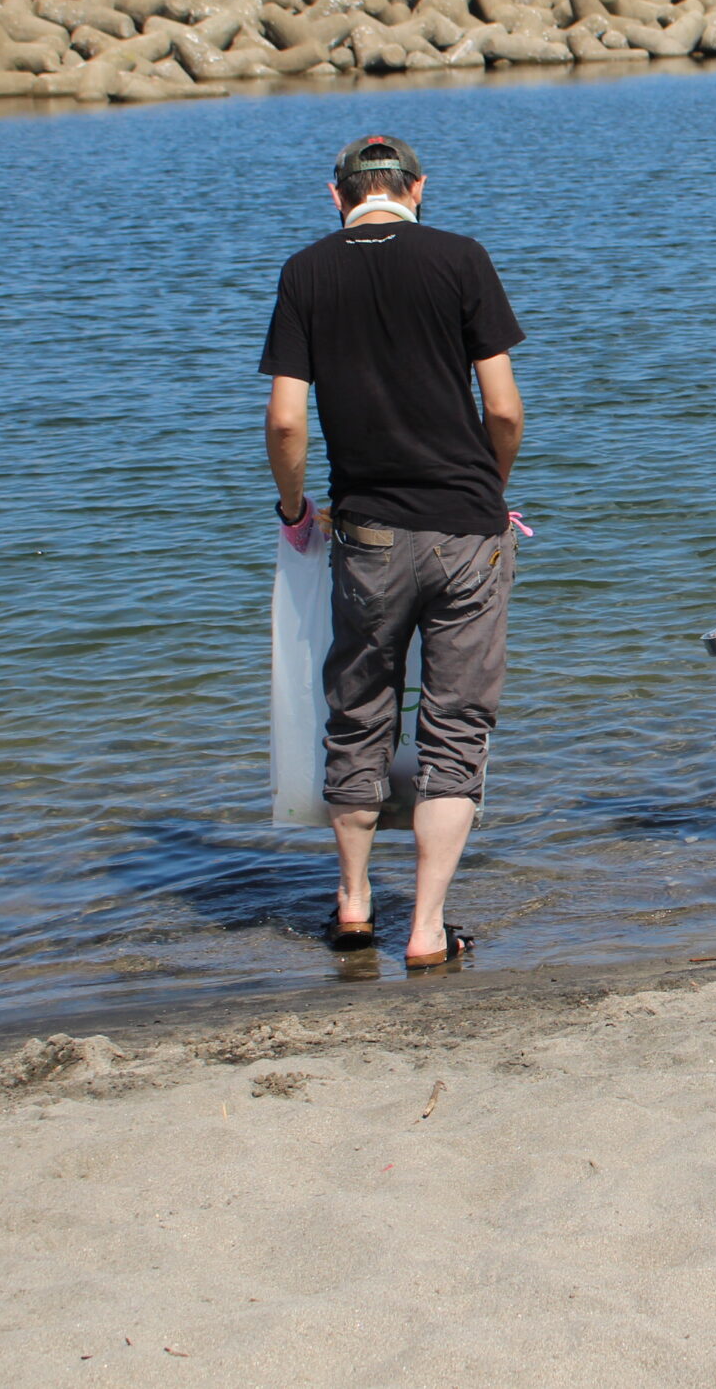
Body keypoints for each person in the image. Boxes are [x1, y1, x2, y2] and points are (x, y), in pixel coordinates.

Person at [261, 134, 525, 968]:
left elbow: (284, 421)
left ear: (335, 197)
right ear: (419, 188)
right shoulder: (461, 258)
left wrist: (299, 507)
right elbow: (506, 409)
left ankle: (351, 902)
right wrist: (490, 486)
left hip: (367, 530)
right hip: (466, 528)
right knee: (455, 727)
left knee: (360, 713)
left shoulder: (307, 272)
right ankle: (425, 928)